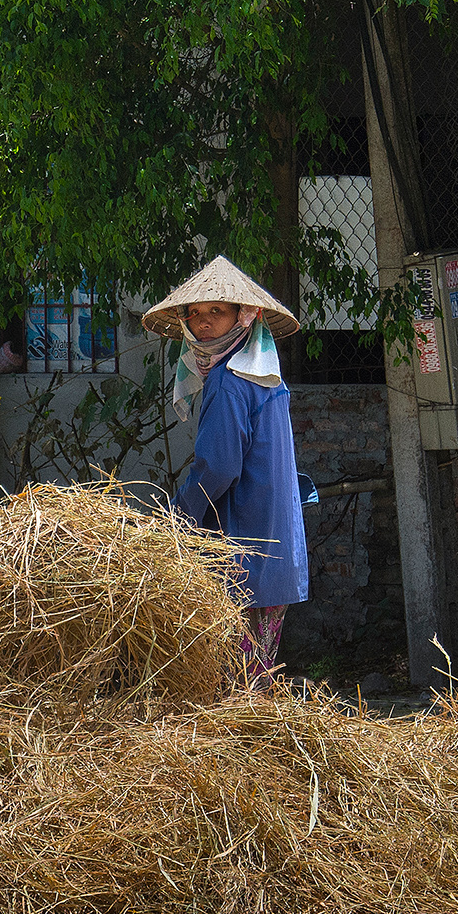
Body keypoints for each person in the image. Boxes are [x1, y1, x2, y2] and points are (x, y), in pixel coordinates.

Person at [141, 256, 309, 686]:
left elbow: (218, 468)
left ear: (244, 315)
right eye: (195, 313)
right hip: (275, 551)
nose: (203, 322)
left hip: (242, 556)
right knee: (255, 684)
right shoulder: (266, 376)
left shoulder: (228, 381)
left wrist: (174, 519)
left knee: (232, 690)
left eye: (217, 310)